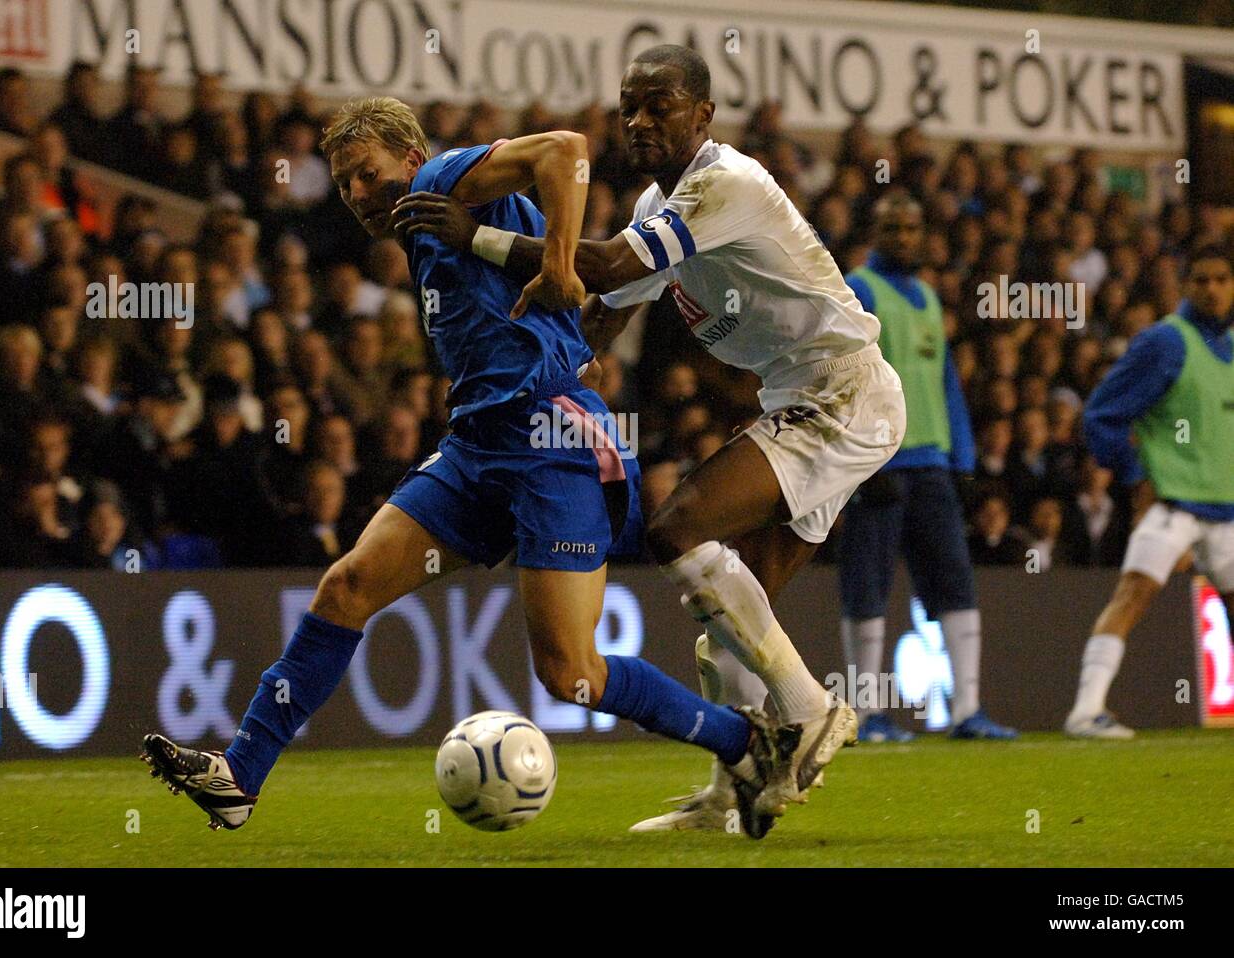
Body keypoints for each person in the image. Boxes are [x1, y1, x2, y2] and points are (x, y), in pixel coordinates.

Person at [141, 95, 800, 839]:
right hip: (478, 446)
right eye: (345, 183)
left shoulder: (445, 180)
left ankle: (747, 743)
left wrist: (557, 263)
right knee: (347, 585)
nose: (358, 195)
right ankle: (240, 776)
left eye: (367, 173)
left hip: (551, 444)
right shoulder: (423, 232)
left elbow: (566, 149)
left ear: (410, 158)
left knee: (571, 672)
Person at [396, 45, 905, 832]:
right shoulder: (656, 210)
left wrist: (478, 238)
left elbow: (595, 264)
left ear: (703, 114)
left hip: (844, 393)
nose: (637, 120)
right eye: (628, 105)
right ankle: (738, 792)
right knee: (729, 633)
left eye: (658, 105)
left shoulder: (725, 184)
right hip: (806, 399)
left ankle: (810, 714)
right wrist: (556, 364)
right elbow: (603, 304)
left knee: (678, 528)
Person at [838, 193, 1016, 742]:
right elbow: (844, 375)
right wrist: (864, 459)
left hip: (932, 465)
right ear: (875, 231)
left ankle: (967, 711)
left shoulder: (930, 299)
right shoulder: (859, 288)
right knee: (867, 586)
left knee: (955, 585)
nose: (906, 238)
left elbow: (945, 383)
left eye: (913, 228)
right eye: (893, 228)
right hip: (882, 464)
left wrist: (962, 457)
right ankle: (864, 713)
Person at [1065, 246, 1234, 739]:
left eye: (1222, 279)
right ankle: (1086, 710)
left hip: (1225, 510)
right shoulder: (1165, 342)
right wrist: (1137, 475)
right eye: (1201, 279)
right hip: (1173, 504)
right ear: (1185, 285)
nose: (1213, 289)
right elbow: (1101, 415)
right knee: (1134, 595)